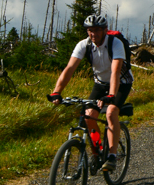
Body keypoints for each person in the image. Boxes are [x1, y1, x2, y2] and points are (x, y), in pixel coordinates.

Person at [48, 15, 133, 172]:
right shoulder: (83, 45)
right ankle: (97, 152)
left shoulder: (115, 44)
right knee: (89, 116)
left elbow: (115, 71)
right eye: (90, 30)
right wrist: (57, 91)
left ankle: (112, 157)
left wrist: (111, 96)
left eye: (97, 30)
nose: (93, 34)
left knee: (111, 112)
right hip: (100, 83)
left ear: (105, 30)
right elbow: (69, 69)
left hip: (121, 83)